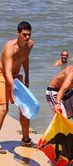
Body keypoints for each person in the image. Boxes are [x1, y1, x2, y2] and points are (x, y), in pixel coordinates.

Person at [0, 21, 36, 151]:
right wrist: (12, 87)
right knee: (4, 109)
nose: (27, 38)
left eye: (29, 35)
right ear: (18, 33)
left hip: (17, 76)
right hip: (3, 76)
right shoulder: (10, 47)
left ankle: (26, 139)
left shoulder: (29, 44)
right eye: (24, 35)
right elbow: (7, 70)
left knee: (25, 108)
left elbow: (25, 58)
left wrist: (27, 77)